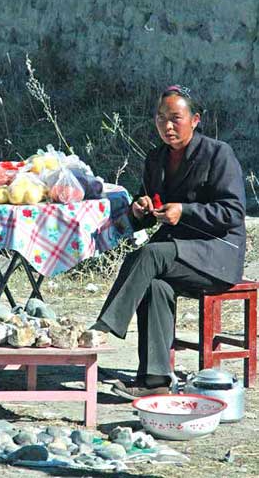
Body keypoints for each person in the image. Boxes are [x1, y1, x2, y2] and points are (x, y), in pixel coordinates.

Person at [91, 84, 246, 400]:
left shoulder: (218, 154)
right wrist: (141, 209)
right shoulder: (156, 158)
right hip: (176, 255)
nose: (168, 126)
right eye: (161, 118)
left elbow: (232, 212)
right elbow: (153, 209)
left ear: (195, 120)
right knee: (154, 285)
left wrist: (184, 211)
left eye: (176, 118)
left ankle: (101, 329)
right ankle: (155, 379)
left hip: (216, 254)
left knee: (148, 255)